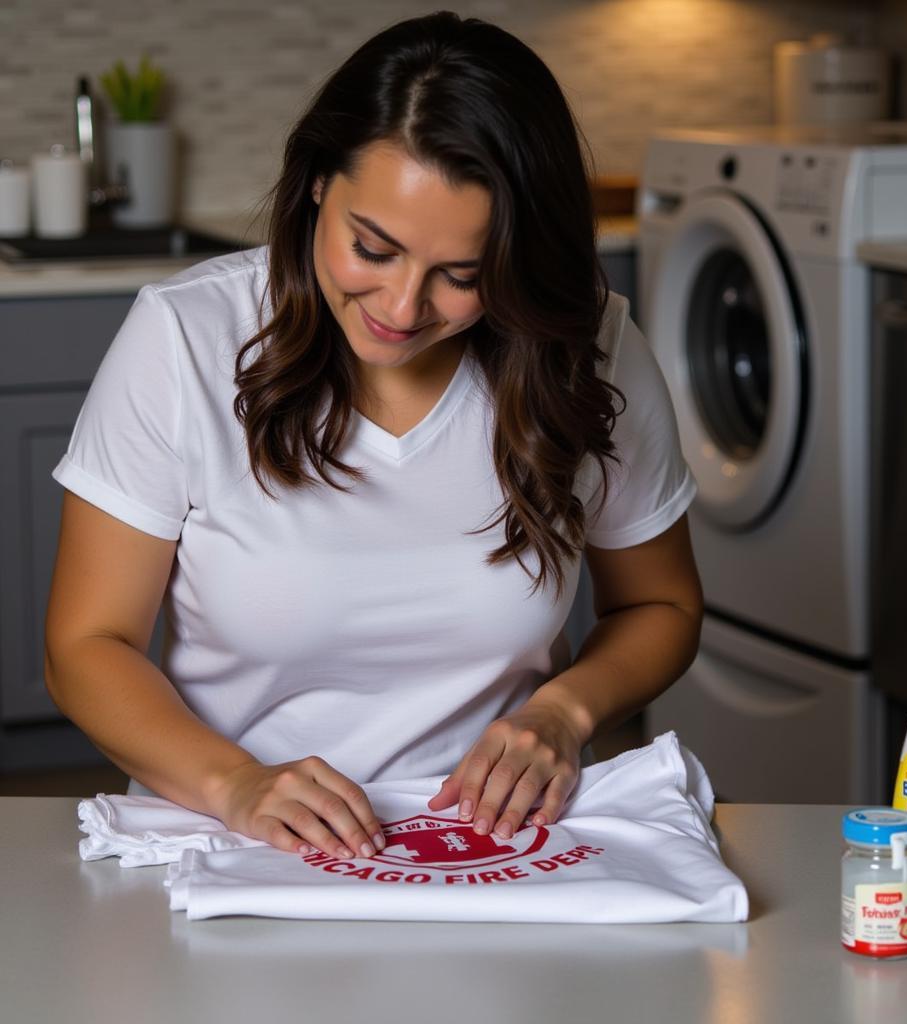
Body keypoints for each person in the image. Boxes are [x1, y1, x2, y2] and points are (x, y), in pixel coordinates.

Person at [44, 11, 702, 864]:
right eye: (373, 248)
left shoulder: (590, 347)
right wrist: (234, 784)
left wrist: (563, 713)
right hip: (227, 836)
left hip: (500, 850)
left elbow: (662, 606)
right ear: (319, 182)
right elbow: (86, 646)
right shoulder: (185, 339)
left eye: (462, 276)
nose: (401, 309)